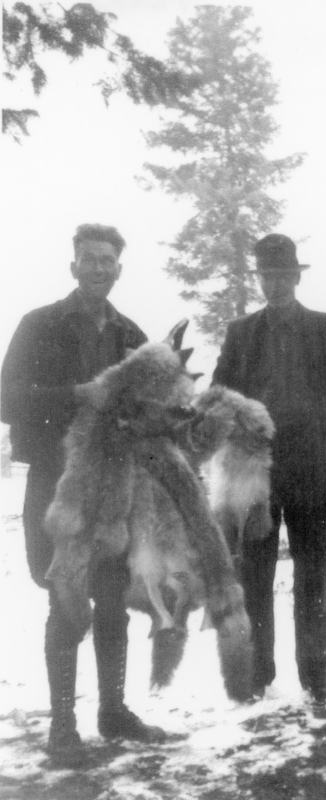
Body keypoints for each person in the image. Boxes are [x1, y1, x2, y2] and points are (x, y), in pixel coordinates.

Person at [1, 224, 166, 767]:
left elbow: (149, 405)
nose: (99, 267)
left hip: (115, 491)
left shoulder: (130, 334)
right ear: (73, 265)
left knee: (115, 601)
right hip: (57, 485)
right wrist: (75, 395)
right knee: (66, 603)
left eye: (108, 260)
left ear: (120, 269)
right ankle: (62, 727)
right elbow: (5, 399)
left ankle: (113, 711)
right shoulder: (39, 324)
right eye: (89, 259)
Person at [213, 233, 326, 704]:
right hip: (257, 474)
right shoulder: (240, 332)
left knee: (313, 575)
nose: (276, 284)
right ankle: (257, 672)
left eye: (284, 276)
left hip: (313, 468)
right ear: (261, 280)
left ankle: (316, 675)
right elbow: (220, 392)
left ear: (296, 276)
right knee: (255, 575)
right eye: (267, 277)